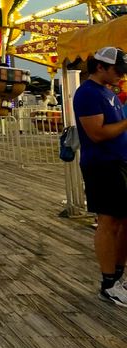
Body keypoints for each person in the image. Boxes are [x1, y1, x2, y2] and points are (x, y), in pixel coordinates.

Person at [73, 47, 127, 306]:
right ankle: (109, 283)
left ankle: (117, 277)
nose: (120, 75)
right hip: (102, 165)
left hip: (118, 162)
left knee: (122, 220)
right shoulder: (88, 93)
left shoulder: (107, 92)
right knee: (108, 221)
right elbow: (97, 134)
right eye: (117, 70)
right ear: (100, 68)